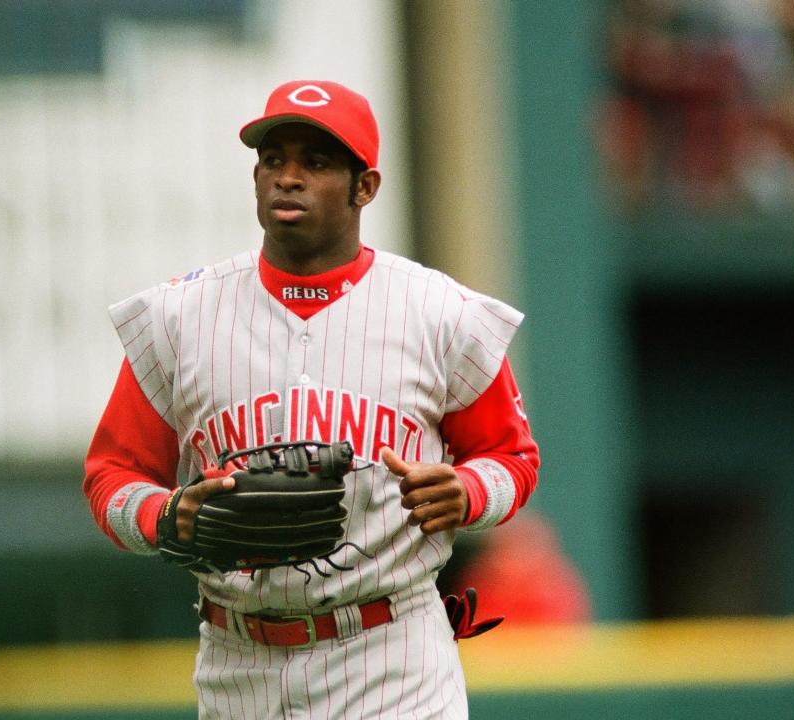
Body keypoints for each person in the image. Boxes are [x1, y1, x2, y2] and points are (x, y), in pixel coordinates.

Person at [83, 79, 540, 719]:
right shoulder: (180, 317)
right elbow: (111, 476)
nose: (288, 179)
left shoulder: (441, 315)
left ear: (365, 187)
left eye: (316, 163)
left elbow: (511, 458)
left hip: (392, 658)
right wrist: (166, 517)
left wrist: (466, 491)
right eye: (274, 160)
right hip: (238, 663)